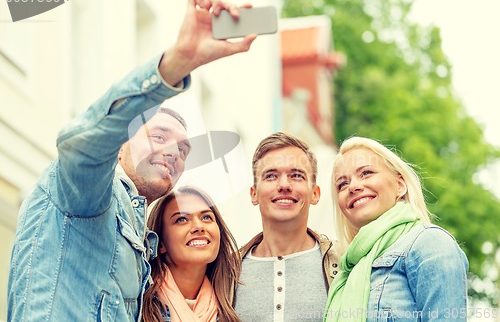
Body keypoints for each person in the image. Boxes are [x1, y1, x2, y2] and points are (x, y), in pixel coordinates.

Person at [7, 0, 256, 322]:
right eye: (158, 136)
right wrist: (175, 64)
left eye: (183, 150)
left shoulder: (139, 238)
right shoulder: (90, 192)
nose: (173, 153)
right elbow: (81, 144)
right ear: (119, 144)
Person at [324, 136, 468, 322]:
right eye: (342, 184)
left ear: (400, 186)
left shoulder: (430, 244)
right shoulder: (347, 270)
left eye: (366, 173)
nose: (353, 187)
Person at [234, 132, 340, 322]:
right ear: (254, 194)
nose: (284, 185)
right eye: (271, 176)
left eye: (296, 175)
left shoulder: (344, 263)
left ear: (315, 193)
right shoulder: (226, 271)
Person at [143, 185, 240, 322]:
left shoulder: (235, 303)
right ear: (160, 243)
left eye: (206, 217)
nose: (199, 227)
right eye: (181, 219)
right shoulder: (137, 304)